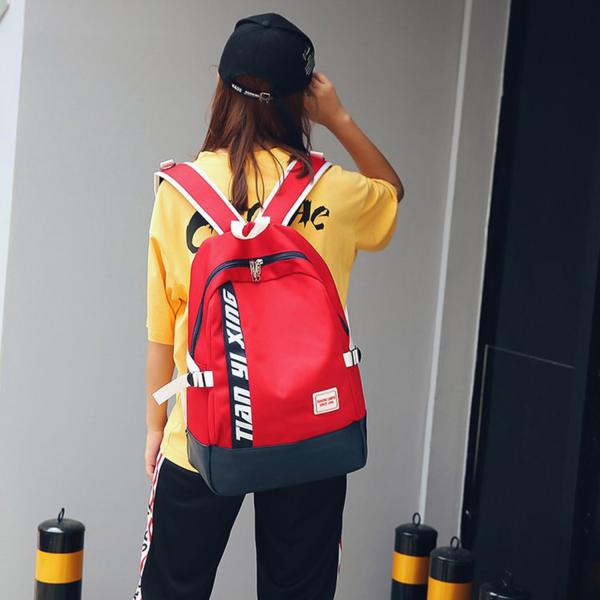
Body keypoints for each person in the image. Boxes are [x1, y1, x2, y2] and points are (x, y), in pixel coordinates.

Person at [135, 12, 404, 600]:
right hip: (311, 432)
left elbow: (162, 326)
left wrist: (156, 426)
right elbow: (391, 193)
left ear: (220, 87)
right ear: (300, 100)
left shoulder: (179, 193)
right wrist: (338, 119)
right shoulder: (334, 190)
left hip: (203, 427)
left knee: (171, 590)